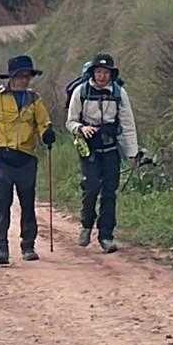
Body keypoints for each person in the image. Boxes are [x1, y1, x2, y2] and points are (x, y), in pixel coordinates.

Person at [0, 54, 57, 265]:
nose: (24, 80)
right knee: (2, 204)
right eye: (21, 76)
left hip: (27, 158)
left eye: (27, 76)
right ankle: (1, 248)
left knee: (28, 203)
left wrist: (47, 133)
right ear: (11, 77)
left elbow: (43, 122)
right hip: (3, 158)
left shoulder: (34, 99)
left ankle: (28, 246)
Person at [65, 53, 139, 253]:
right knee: (91, 188)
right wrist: (81, 128)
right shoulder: (81, 91)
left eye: (106, 72)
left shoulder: (119, 93)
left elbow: (127, 124)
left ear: (111, 74)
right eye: (98, 72)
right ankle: (86, 224)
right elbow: (70, 121)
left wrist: (132, 153)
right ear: (92, 73)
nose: (102, 76)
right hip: (89, 148)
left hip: (111, 149)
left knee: (109, 192)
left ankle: (106, 236)